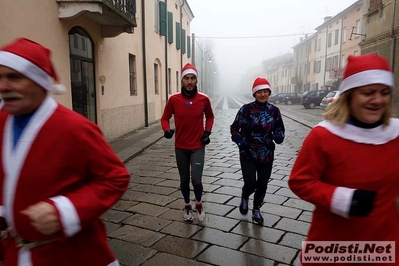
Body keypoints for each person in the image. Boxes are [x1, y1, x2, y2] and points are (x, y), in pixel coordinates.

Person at [0, 38, 130, 265]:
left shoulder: (75, 128)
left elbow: (115, 177)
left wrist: (64, 211)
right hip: (15, 253)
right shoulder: (2, 122)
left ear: (39, 82)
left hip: (69, 254)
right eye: (0, 77)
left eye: (14, 77)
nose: (3, 86)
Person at [289, 54, 399, 265]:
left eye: (385, 92)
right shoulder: (323, 135)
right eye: (368, 93)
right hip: (333, 246)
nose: (378, 100)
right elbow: (299, 181)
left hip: (385, 245)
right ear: (348, 95)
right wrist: (343, 199)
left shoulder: (396, 134)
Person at [161, 63, 214, 223]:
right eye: (186, 78)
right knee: (184, 180)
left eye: (192, 78)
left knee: (196, 180)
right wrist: (166, 130)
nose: (189, 81)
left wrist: (207, 131)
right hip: (181, 147)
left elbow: (210, 116)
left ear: (196, 81)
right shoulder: (174, 99)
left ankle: (198, 203)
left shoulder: (204, 99)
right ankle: (187, 206)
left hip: (198, 146)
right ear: (182, 80)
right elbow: (165, 117)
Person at [230, 77, 285, 225]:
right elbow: (234, 128)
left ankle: (256, 209)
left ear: (269, 92)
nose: (262, 94)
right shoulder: (245, 110)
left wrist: (278, 136)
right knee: (250, 183)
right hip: (248, 153)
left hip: (266, 154)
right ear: (254, 94)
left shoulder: (274, 111)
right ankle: (245, 194)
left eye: (265, 91)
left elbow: (280, 129)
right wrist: (240, 141)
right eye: (259, 91)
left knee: (262, 183)